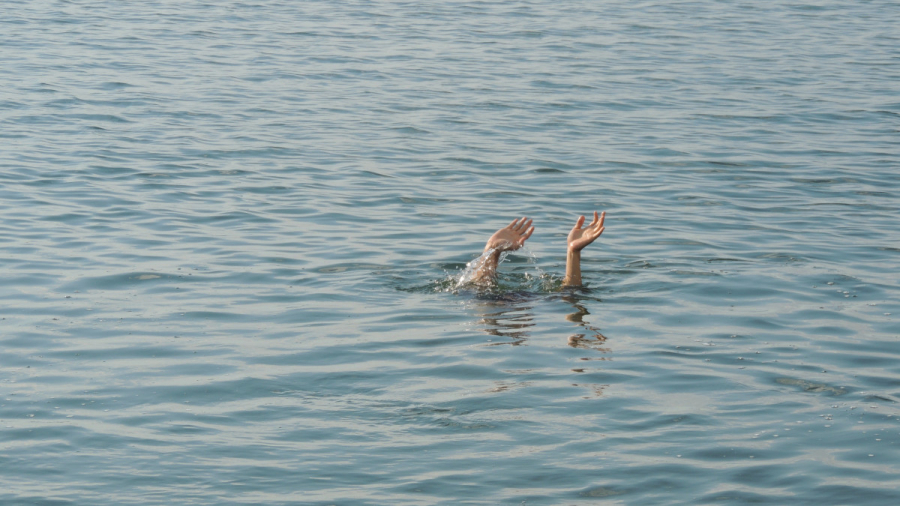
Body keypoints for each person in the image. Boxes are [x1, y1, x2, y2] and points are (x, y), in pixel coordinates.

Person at [469, 211, 606, 286]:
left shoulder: (533, 302)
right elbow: (479, 289)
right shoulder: (489, 301)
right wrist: (492, 249)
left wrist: (573, 252)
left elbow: (570, 294)